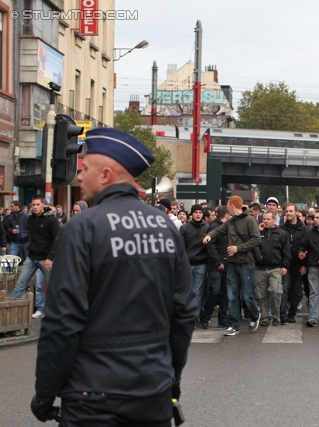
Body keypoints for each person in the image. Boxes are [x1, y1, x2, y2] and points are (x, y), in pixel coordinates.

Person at [31, 128, 198, 426]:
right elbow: (184, 312)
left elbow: (63, 321)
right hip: (152, 391)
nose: (79, 177)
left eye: (84, 170)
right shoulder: (165, 226)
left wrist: (45, 392)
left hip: (92, 395)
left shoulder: (82, 227)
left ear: (106, 175)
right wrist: (171, 376)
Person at [203, 196, 261, 336]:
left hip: (247, 264)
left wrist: (238, 248)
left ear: (232, 205)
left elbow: (256, 239)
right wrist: (210, 235)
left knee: (247, 295)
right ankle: (234, 325)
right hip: (233, 264)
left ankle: (255, 315)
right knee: (232, 296)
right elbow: (218, 231)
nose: (226, 206)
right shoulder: (230, 221)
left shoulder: (250, 220)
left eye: (228, 204)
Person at [10, 196, 59, 318]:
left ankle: (58, 313)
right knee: (20, 284)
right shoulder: (30, 219)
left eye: (38, 204)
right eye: (33, 205)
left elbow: (57, 239)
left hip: (46, 257)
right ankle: (10, 311)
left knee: (51, 286)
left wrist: (50, 257)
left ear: (43, 204)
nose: (35, 207)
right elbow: (31, 235)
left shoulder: (51, 219)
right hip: (32, 256)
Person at [255, 211, 291, 326]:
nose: (265, 221)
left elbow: (286, 251)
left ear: (274, 220)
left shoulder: (282, 233)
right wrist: (258, 231)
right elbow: (252, 245)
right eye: (264, 219)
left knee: (276, 292)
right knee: (261, 294)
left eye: (268, 219)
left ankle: (276, 316)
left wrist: (285, 266)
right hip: (260, 268)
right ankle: (265, 316)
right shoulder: (258, 232)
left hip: (275, 267)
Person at [201, 206, 230, 330]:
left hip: (228, 265)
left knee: (226, 294)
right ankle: (206, 317)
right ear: (227, 215)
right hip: (216, 266)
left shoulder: (229, 227)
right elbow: (211, 246)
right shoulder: (214, 227)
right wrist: (218, 262)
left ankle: (222, 320)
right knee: (214, 291)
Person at [280, 203, 308, 323]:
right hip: (285, 264)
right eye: (287, 211)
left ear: (296, 212)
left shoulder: (305, 229)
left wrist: (304, 264)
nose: (289, 213)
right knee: (285, 289)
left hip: (298, 264)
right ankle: (282, 314)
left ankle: (292, 313)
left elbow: (308, 247)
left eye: (291, 211)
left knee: (296, 290)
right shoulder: (281, 229)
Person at [180, 204, 209, 314]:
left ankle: (194, 315)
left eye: (200, 212)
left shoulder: (207, 228)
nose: (198, 214)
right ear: (191, 214)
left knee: (197, 292)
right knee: (187, 292)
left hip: (201, 264)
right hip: (187, 264)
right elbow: (180, 247)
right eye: (196, 212)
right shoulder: (184, 228)